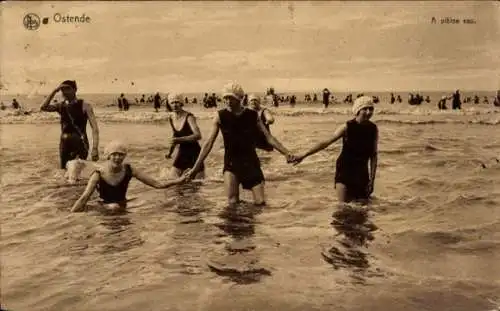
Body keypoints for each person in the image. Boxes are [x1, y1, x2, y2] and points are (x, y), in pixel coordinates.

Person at [185, 82, 294, 205]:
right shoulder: (220, 116)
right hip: (231, 163)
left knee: (260, 202)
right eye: (225, 97)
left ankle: (248, 221)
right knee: (232, 202)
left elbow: (269, 138)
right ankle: (238, 223)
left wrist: (286, 152)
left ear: (240, 98)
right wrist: (195, 168)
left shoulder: (252, 115)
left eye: (231, 98)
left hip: (251, 162)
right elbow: (208, 143)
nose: (227, 101)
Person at [291, 96, 378, 203]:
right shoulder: (347, 127)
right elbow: (326, 142)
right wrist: (304, 155)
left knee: (362, 212)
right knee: (343, 209)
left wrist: (372, 180)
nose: (369, 112)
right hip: (345, 172)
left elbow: (373, 155)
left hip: (362, 174)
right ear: (358, 110)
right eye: (365, 109)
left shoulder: (373, 129)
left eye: (371, 109)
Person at [71, 141, 187, 213]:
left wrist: (179, 180)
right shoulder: (98, 174)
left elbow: (157, 184)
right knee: (113, 207)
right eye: (114, 154)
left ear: (125, 156)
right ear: (108, 156)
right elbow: (84, 198)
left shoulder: (129, 170)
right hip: (103, 209)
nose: (117, 158)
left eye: (121, 154)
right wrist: (71, 217)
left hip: (122, 206)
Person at [40, 80, 100, 170]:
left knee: (78, 170)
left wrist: (95, 148)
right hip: (64, 143)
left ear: (75, 90)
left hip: (80, 142)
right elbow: (43, 107)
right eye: (62, 89)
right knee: (64, 171)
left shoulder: (85, 105)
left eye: (68, 89)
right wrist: (54, 91)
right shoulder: (60, 106)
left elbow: (94, 128)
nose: (65, 92)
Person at [165, 93, 205, 179]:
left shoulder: (189, 117)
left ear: (181, 103)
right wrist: (170, 153)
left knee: (197, 185)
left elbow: (198, 135)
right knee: (172, 182)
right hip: (182, 153)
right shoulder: (171, 118)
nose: (175, 105)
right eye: (172, 102)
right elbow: (175, 136)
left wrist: (179, 140)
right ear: (169, 104)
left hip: (195, 153)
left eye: (177, 102)